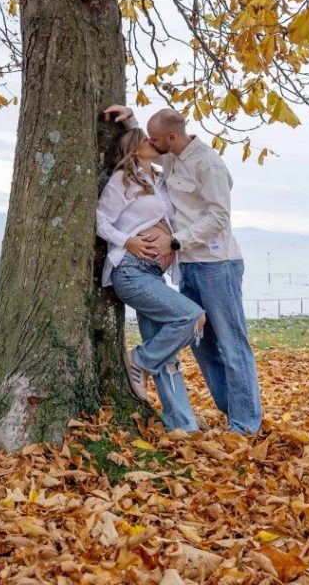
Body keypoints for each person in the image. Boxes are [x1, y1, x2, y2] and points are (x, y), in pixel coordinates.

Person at [103, 105, 262, 436]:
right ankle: (224, 411)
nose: (152, 142)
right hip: (186, 267)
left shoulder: (208, 164)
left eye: (156, 138)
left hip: (217, 263)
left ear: (170, 138)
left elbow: (219, 218)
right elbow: (142, 149)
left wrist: (174, 242)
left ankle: (245, 424)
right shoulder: (171, 156)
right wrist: (130, 119)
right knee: (203, 345)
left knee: (232, 343)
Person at [97, 127, 206, 432]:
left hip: (153, 274)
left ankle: (182, 426)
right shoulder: (123, 181)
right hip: (131, 271)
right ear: (134, 150)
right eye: (147, 140)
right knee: (193, 317)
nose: (153, 142)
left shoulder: (160, 180)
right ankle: (138, 360)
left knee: (168, 357)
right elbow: (100, 218)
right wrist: (126, 241)